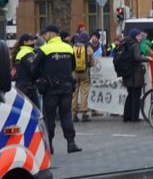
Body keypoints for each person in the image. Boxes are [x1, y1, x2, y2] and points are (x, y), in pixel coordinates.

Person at [36, 25, 81, 153]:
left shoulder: (44, 49)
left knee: (49, 117)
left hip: (50, 89)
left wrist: (41, 76)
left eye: (44, 34)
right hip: (66, 87)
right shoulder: (68, 48)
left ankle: (49, 145)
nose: (43, 36)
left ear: (50, 34)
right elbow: (74, 65)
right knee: (66, 115)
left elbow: (34, 69)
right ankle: (71, 143)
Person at [117, 28, 145, 123]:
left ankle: (127, 116)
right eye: (138, 36)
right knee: (136, 96)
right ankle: (134, 117)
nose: (140, 38)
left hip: (128, 74)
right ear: (134, 36)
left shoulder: (126, 44)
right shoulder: (135, 45)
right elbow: (137, 57)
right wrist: (147, 59)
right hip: (135, 75)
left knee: (130, 96)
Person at [12, 33, 43, 108]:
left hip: (22, 86)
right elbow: (33, 69)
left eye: (34, 40)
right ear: (24, 42)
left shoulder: (24, 51)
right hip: (27, 87)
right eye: (31, 40)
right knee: (36, 112)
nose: (33, 42)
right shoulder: (27, 53)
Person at [71, 24, 93, 122]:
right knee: (84, 93)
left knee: (74, 93)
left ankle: (74, 114)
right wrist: (89, 65)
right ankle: (84, 113)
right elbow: (92, 60)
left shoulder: (74, 47)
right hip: (84, 72)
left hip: (74, 72)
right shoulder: (87, 47)